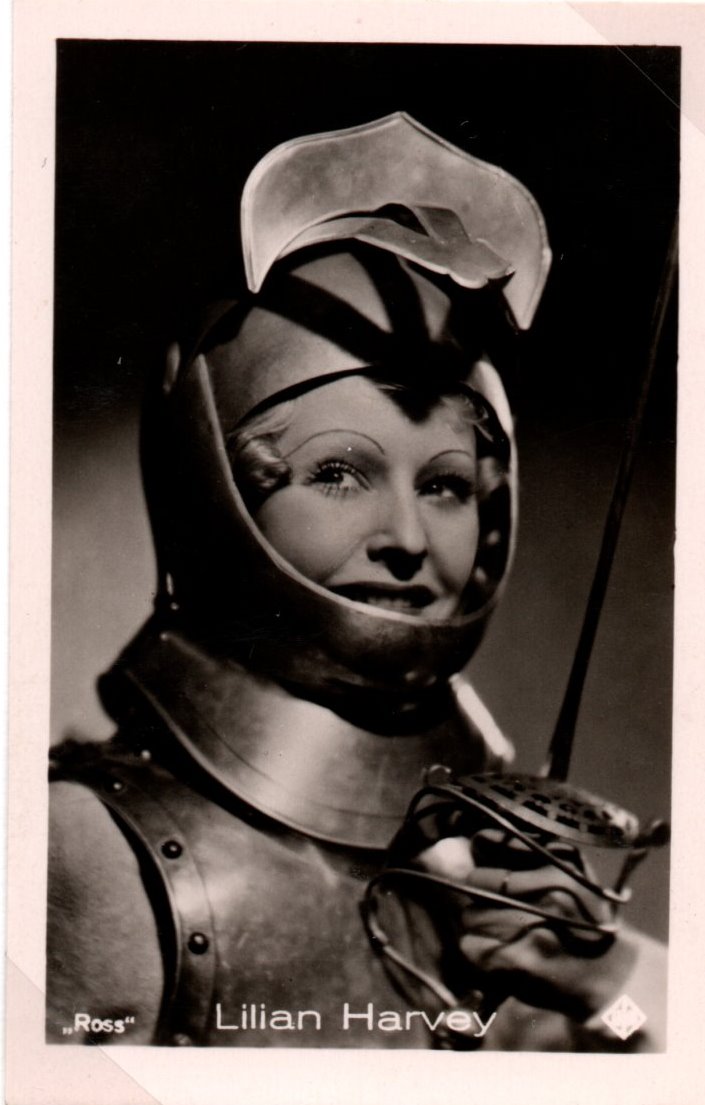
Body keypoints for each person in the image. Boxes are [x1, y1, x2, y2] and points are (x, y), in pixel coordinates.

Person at [46, 113, 666, 1050]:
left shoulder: (510, 877)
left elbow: (626, 1049)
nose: (407, 538)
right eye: (338, 472)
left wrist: (609, 986)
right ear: (216, 488)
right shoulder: (88, 850)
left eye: (446, 485)